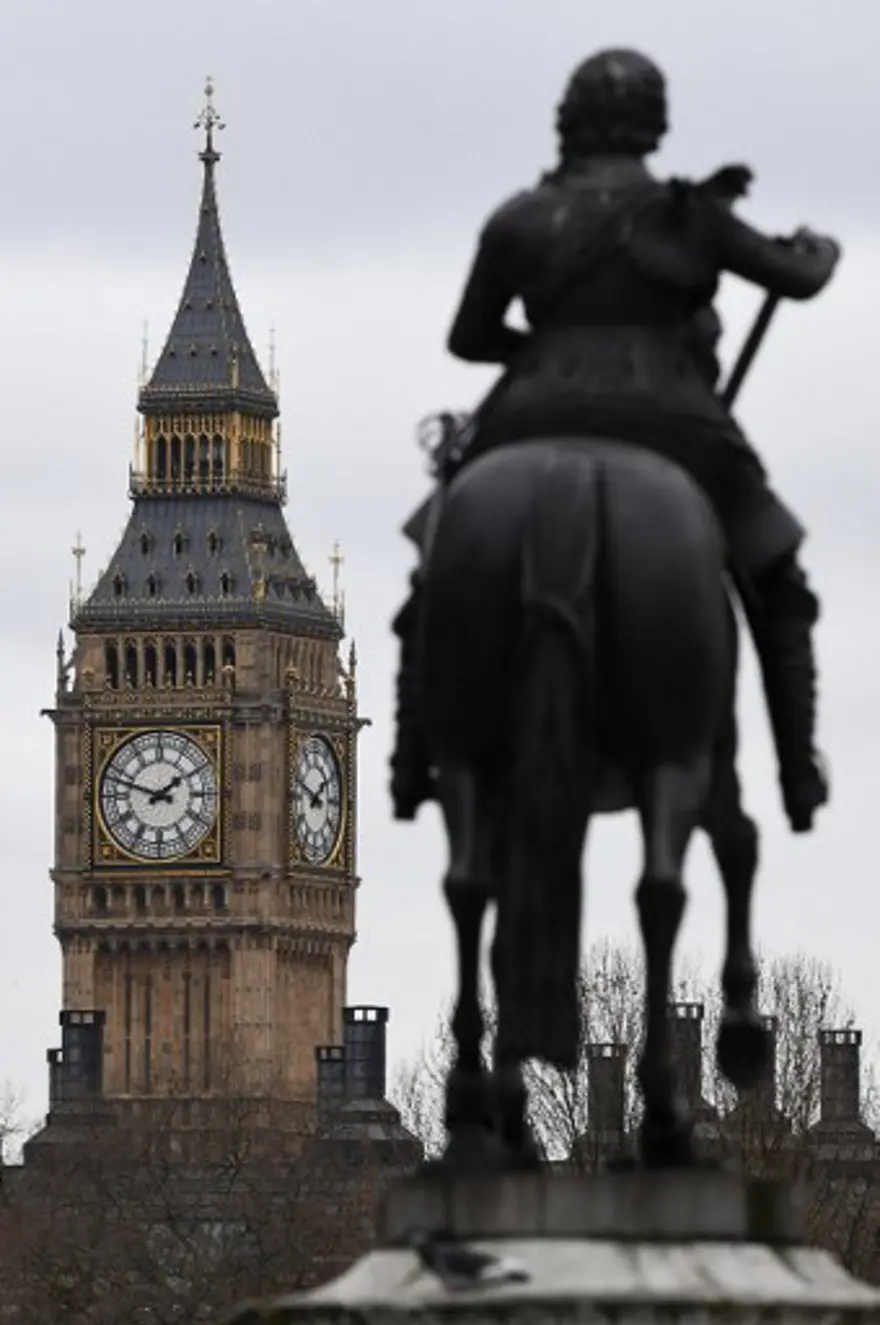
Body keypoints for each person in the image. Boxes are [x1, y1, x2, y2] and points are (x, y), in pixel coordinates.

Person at [391, 48, 840, 835]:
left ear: (568, 120)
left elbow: (468, 338)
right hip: (671, 417)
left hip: (532, 411)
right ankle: (798, 770)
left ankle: (411, 759)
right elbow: (797, 279)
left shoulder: (520, 217)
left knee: (433, 573)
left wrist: (542, 348)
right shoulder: (688, 214)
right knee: (778, 576)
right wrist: (820, 249)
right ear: (654, 125)